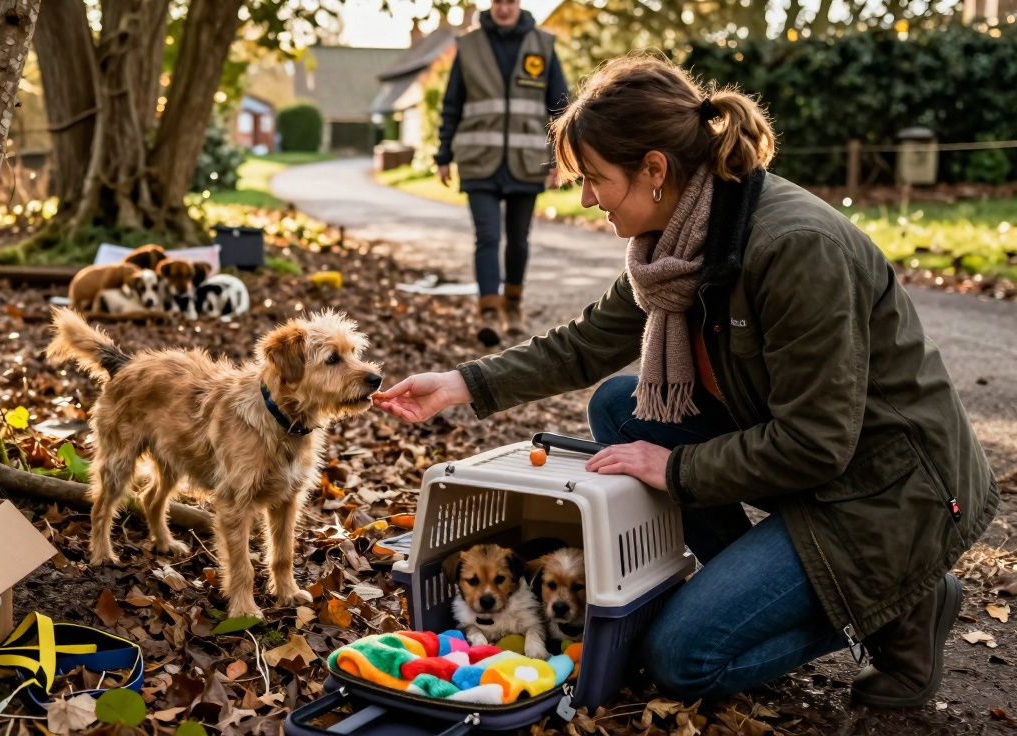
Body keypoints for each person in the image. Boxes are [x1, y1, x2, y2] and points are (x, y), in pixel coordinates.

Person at [375, 53, 998, 707]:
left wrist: (674, 469)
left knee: (680, 660)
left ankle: (900, 606)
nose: (586, 198)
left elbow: (817, 442)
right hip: (813, 463)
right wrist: (462, 383)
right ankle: (765, 581)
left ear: (654, 169)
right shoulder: (676, 245)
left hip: (885, 492)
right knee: (621, 408)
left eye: (595, 179)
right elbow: (586, 342)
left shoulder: (796, 248)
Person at [434, 0, 568, 347]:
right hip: (479, 160)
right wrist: (444, 154)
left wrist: (559, 158)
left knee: (518, 240)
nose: (503, 8)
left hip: (527, 161)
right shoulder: (469, 45)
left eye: (510, 1)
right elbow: (452, 105)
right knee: (487, 237)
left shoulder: (542, 45)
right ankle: (489, 312)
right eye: (497, 1)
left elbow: (560, 107)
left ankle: (512, 305)